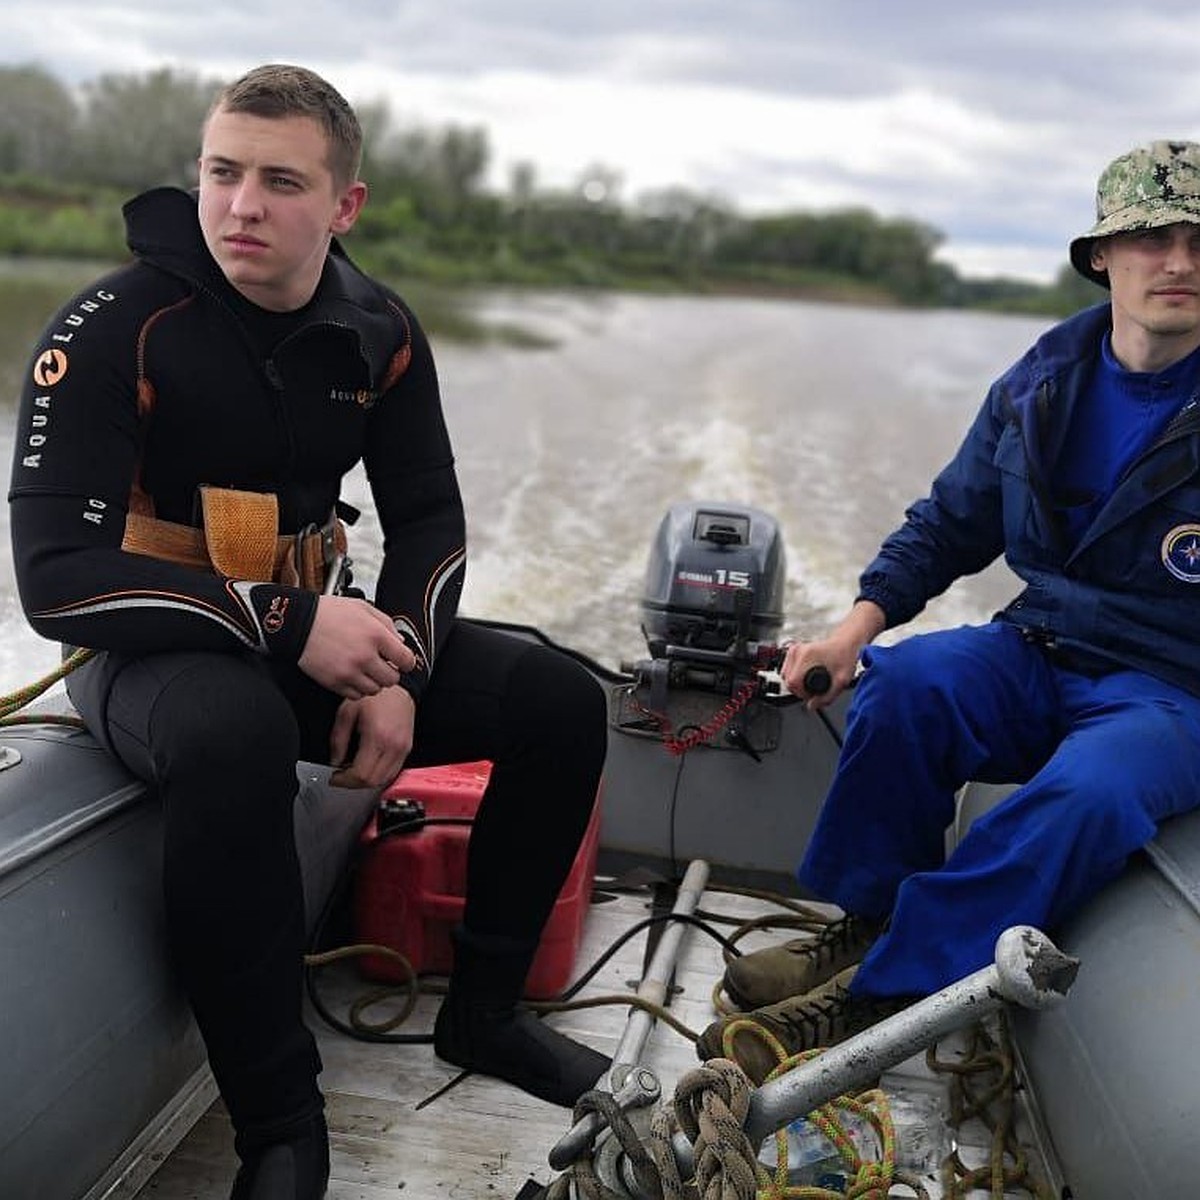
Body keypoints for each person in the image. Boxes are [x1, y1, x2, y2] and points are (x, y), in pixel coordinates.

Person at [9, 64, 609, 1199]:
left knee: (561, 703)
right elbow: (58, 579)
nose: (242, 205)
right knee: (232, 728)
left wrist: (403, 669)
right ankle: (282, 1128)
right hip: (146, 649)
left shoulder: (376, 331)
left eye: (281, 182)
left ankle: (483, 1018)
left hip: (310, 634)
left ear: (344, 207)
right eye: (222, 173)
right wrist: (293, 625)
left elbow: (428, 517)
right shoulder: (115, 327)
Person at [698, 138, 1200, 1084]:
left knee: (1094, 790)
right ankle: (868, 921)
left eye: (1199, 241)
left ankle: (881, 994)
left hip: (1173, 686)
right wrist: (849, 634)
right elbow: (950, 521)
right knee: (909, 686)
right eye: (1151, 237)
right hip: (1042, 642)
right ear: (1102, 256)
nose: (1178, 262)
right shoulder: (1042, 382)